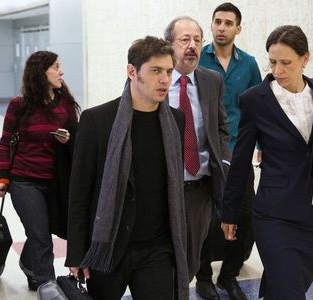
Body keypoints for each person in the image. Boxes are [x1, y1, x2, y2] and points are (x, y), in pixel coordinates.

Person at [221, 25, 313, 300]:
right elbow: (240, 159)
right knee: (289, 293)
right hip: (274, 215)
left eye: (286, 63)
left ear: (305, 58)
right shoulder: (255, 100)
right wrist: (229, 213)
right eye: (272, 62)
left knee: (287, 287)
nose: (278, 70)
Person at [65, 36, 189, 300]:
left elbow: (174, 186)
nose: (165, 80)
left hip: (157, 248)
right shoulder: (97, 120)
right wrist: (76, 252)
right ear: (132, 72)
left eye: (169, 71)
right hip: (109, 247)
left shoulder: (176, 121)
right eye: (156, 71)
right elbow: (79, 192)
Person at [0, 50, 80, 290]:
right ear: (42, 72)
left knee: (42, 231)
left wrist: (68, 139)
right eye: (56, 67)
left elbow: (78, 140)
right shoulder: (19, 105)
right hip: (24, 181)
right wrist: (4, 179)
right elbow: (5, 142)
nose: (61, 71)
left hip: (55, 181)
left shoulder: (66, 105)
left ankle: (30, 265)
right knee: (41, 237)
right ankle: (48, 288)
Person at [196, 3, 262, 299]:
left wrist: (262, 146)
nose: (221, 27)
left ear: (238, 28)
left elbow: (260, 107)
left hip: (238, 154)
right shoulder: (197, 60)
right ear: (211, 26)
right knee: (205, 220)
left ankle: (228, 275)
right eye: (217, 22)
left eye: (228, 23)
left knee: (246, 216)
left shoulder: (248, 64)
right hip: (204, 155)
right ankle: (204, 277)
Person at [164, 16, 231, 282]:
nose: (192, 46)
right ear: (169, 45)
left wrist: (224, 161)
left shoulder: (212, 80)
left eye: (197, 40)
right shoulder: (156, 80)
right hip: (163, 187)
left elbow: (222, 127)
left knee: (190, 263)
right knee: (161, 259)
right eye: (184, 40)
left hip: (198, 189)